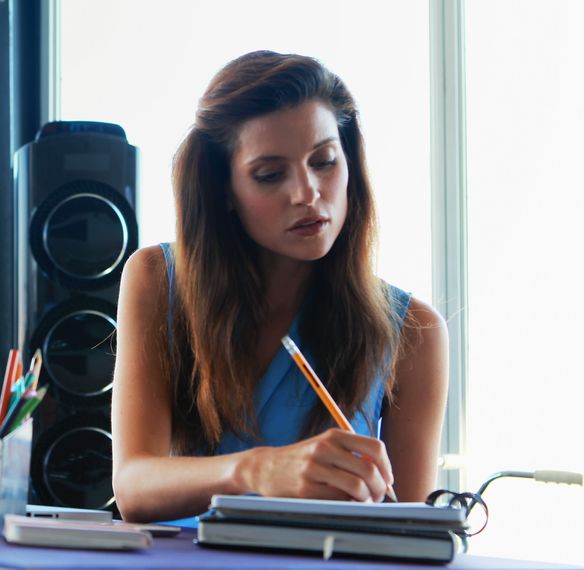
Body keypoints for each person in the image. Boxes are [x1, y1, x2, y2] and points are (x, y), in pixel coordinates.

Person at [111, 51, 449, 524]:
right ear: (223, 188)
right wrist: (258, 470)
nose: (307, 194)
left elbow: (412, 537)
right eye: (270, 174)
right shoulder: (157, 280)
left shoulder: (415, 331)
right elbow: (133, 486)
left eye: (325, 161)